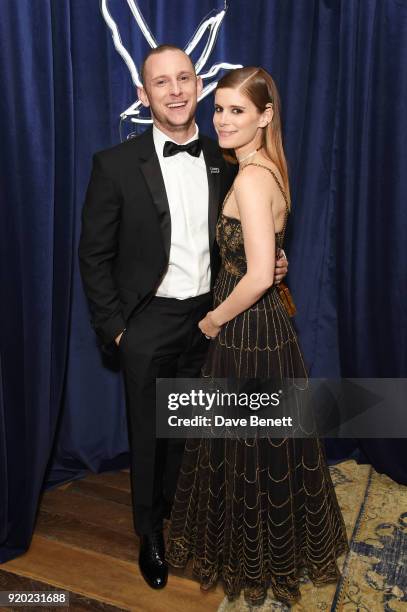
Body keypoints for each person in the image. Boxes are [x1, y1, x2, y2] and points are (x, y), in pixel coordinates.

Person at [78, 46, 288, 591]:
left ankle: (185, 520)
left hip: (213, 318)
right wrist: (117, 329)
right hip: (147, 322)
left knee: (196, 432)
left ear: (197, 85)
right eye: (160, 82)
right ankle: (150, 533)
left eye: (184, 78)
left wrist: (270, 261)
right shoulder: (114, 164)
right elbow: (94, 256)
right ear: (143, 95)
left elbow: (242, 236)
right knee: (149, 435)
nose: (174, 90)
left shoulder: (226, 157)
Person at [166, 67, 349, 606]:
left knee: (245, 450)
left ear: (265, 116)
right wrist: (268, 265)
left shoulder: (249, 177)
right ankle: (268, 550)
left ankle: (254, 560)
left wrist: (213, 320)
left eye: (237, 110)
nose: (221, 120)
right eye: (219, 108)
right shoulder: (266, 167)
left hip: (246, 328)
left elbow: (253, 274)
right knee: (263, 448)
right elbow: (265, 260)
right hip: (266, 327)